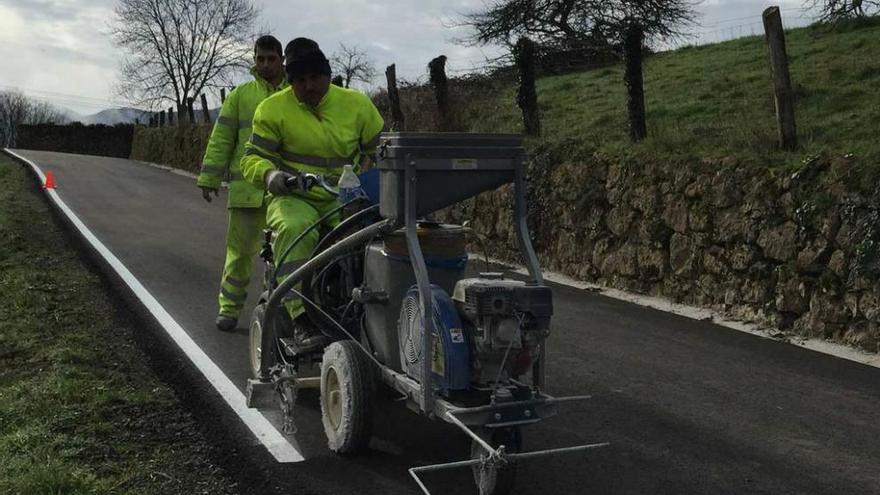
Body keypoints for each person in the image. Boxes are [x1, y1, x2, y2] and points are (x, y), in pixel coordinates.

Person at [241, 37, 383, 352]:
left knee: (371, 235)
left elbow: (384, 152)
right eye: (300, 81)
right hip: (294, 197)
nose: (309, 86)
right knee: (295, 231)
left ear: (327, 75)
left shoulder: (357, 105)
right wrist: (270, 175)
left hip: (343, 197)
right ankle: (301, 316)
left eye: (315, 78)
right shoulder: (272, 110)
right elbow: (251, 158)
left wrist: (378, 173)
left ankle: (364, 310)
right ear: (290, 82)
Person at [197, 35, 288, 331]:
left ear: (281, 59)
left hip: (284, 192)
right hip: (246, 192)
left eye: (271, 58)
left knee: (283, 256)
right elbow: (222, 138)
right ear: (254, 60)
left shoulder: (295, 93)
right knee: (238, 255)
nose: (265, 64)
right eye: (260, 58)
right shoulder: (240, 95)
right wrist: (210, 177)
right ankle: (229, 309)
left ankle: (275, 314)